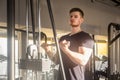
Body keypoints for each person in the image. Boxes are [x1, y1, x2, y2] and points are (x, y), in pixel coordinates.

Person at [42, 7, 94, 80]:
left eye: (76, 16)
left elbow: (83, 61)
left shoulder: (85, 37)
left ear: (81, 20)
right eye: (71, 16)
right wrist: (47, 50)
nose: (72, 18)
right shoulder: (63, 38)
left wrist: (66, 50)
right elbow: (56, 60)